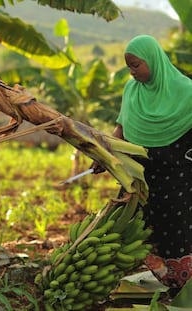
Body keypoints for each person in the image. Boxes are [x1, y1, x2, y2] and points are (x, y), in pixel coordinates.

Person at [92, 35, 192, 290]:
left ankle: (183, 284)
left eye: (136, 65)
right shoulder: (131, 90)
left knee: (177, 226)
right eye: (129, 66)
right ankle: (165, 280)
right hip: (138, 177)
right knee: (136, 227)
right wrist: (105, 154)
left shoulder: (186, 90)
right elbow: (121, 128)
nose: (132, 71)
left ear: (153, 60)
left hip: (177, 177)